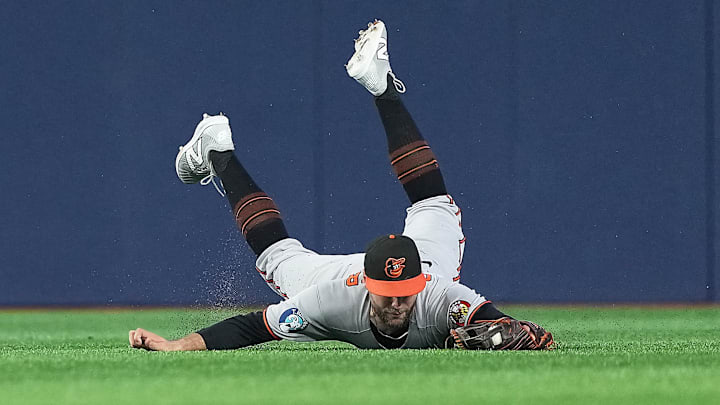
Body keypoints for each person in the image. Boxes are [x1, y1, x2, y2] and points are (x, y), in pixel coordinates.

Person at [129, 20, 554, 351]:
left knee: (434, 201)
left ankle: (381, 83)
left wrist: (514, 336)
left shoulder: (441, 297)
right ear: (368, 286)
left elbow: (512, 328)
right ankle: (217, 151)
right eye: (388, 294)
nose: (396, 304)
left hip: (430, 260)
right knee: (278, 258)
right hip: (342, 275)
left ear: (418, 288)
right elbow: (252, 327)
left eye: (404, 294)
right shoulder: (331, 300)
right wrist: (176, 345)